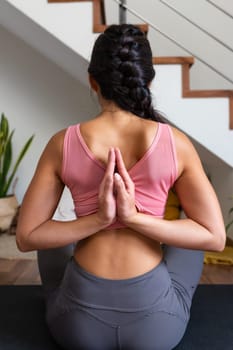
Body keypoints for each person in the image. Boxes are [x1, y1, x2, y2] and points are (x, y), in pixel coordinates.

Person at [16, 24, 226, 350]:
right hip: (156, 330)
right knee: (191, 236)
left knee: (50, 235)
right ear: (148, 81)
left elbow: (26, 237)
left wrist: (97, 220)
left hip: (76, 329)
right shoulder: (176, 143)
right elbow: (214, 236)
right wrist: (137, 219)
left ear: (92, 81)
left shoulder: (63, 143)